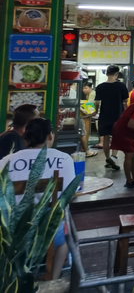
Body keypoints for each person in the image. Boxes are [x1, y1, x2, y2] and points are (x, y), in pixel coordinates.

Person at [0, 118, 76, 278]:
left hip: (13, 230)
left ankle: (14, 278)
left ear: (26, 137)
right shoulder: (63, 158)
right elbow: (69, 193)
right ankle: (53, 278)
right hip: (48, 230)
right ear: (50, 135)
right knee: (65, 237)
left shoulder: (8, 160)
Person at [94, 65, 129, 170]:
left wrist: (95, 111)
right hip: (117, 116)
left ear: (106, 73)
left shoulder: (100, 87)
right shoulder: (121, 86)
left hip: (104, 116)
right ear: (116, 74)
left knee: (106, 138)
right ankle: (113, 157)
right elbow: (126, 101)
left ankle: (107, 158)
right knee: (116, 137)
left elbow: (97, 102)